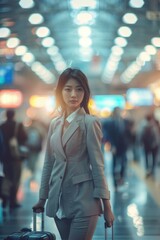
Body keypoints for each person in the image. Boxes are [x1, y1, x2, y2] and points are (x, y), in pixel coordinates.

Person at [33, 68, 114, 240]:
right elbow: (49, 163)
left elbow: (98, 166)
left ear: (85, 93)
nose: (73, 94)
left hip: (84, 202)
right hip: (59, 202)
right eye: (68, 89)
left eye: (79, 89)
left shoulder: (90, 123)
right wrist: (43, 197)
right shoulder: (55, 124)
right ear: (60, 92)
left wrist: (107, 206)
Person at [0, 109, 27, 209]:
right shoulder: (18, 125)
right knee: (15, 179)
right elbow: (24, 138)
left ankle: (5, 198)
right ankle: (13, 201)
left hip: (5, 157)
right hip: (16, 157)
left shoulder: (2, 126)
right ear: (14, 115)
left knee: (7, 178)